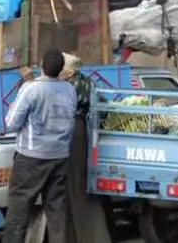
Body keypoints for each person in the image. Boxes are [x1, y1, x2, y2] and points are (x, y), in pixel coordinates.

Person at [2, 49, 77, 243]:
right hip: (59, 157)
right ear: (61, 69)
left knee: (19, 210)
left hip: (30, 158)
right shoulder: (69, 90)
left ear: (41, 65)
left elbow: (11, 123)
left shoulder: (31, 89)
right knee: (56, 211)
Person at [59, 53, 113, 243]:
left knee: (72, 186)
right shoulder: (88, 82)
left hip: (66, 132)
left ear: (70, 71)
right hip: (81, 132)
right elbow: (103, 109)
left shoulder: (66, 86)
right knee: (80, 183)